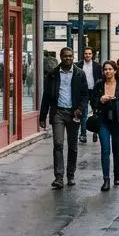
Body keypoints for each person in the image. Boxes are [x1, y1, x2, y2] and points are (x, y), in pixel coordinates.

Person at [40, 47, 87, 188]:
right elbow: (46, 96)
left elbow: (85, 95)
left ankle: (70, 175)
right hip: (58, 113)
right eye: (65, 56)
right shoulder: (53, 74)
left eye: (70, 56)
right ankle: (59, 177)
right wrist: (42, 116)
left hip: (74, 113)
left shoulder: (80, 74)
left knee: (72, 147)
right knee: (58, 144)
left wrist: (80, 109)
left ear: (73, 57)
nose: (68, 58)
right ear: (61, 57)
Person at [93, 60, 119, 191]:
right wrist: (100, 99)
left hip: (118, 121)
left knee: (117, 150)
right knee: (105, 150)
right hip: (103, 121)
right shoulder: (99, 84)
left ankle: (116, 173)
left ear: (115, 70)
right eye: (105, 69)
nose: (107, 71)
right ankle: (106, 179)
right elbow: (93, 101)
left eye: (110, 69)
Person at [78, 47, 99, 144]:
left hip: (94, 91)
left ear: (92, 55)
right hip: (83, 92)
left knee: (95, 113)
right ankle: (83, 134)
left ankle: (95, 132)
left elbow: (100, 79)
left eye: (89, 53)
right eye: (86, 53)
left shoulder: (97, 66)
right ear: (84, 54)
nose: (87, 55)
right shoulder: (78, 65)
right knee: (83, 114)